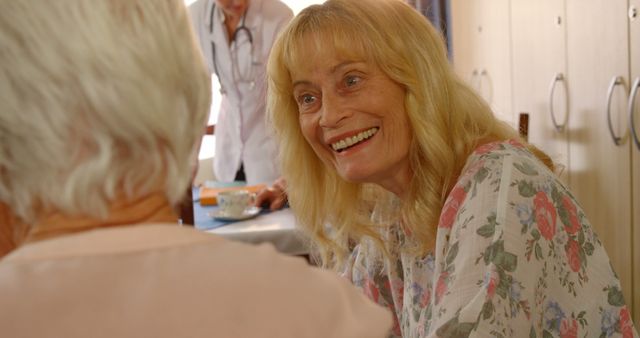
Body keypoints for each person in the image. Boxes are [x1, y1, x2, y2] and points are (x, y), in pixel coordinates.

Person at [0, 1, 393, 337]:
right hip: (230, 147)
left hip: (264, 144)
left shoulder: (277, 15)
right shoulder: (329, 312)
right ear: (183, 116)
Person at [264, 0, 640, 337]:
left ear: (416, 79)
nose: (328, 116)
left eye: (351, 80)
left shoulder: (499, 187)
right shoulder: (393, 209)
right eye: (308, 97)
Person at [188, 0, 293, 185]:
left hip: (270, 149)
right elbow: (196, 92)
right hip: (228, 149)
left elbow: (290, 92)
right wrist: (190, 158)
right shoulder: (195, 17)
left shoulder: (279, 16)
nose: (237, 2)